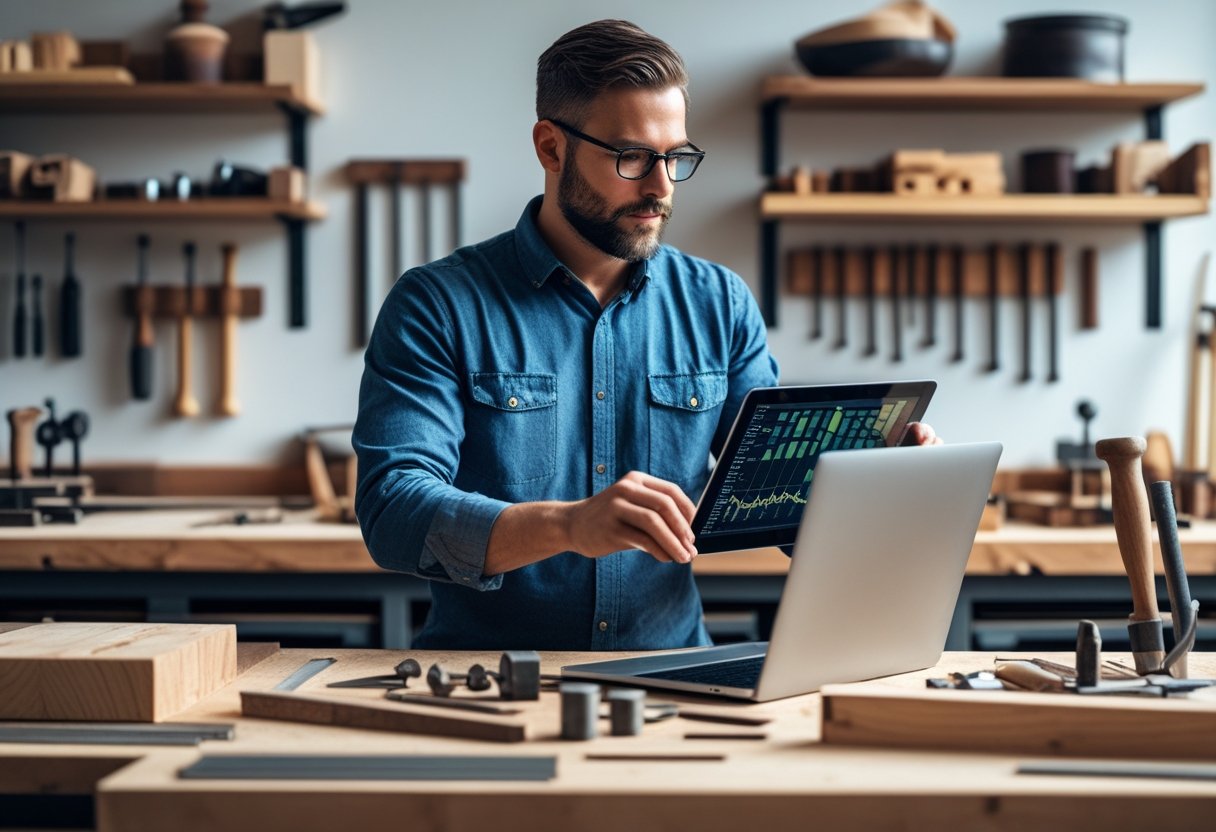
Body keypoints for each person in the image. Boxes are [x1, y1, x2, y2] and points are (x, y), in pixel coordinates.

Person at [353, 19, 938, 652]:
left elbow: (776, 499)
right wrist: (569, 526)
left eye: (676, 157)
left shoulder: (720, 303)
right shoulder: (438, 305)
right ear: (551, 148)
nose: (660, 186)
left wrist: (875, 491)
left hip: (677, 676)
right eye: (631, 157)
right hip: (489, 680)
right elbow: (393, 512)